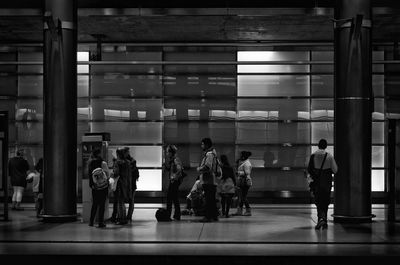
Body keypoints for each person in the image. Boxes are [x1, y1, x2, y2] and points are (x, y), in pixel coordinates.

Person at [307, 139, 338, 230]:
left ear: (318, 145)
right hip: (327, 182)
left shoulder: (313, 156)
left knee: (318, 201)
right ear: (326, 146)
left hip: (316, 183)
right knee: (325, 201)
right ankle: (323, 220)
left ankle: (321, 218)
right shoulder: (329, 156)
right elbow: (335, 170)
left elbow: (309, 170)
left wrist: (310, 180)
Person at [197, 137, 219, 222]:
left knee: (208, 199)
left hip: (208, 180)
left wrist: (199, 169)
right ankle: (214, 216)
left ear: (206, 145)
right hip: (211, 180)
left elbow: (207, 167)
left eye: (202, 144)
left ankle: (208, 216)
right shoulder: (212, 154)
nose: (201, 146)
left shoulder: (209, 154)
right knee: (212, 199)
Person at [88, 148, 110, 228]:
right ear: (99, 154)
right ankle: (100, 222)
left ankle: (91, 222)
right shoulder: (103, 163)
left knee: (94, 204)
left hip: (95, 187)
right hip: (103, 187)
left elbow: (90, 176)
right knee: (102, 205)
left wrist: (92, 185)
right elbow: (107, 174)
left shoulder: (90, 163)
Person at [111, 147, 131, 225]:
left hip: (119, 183)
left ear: (118, 154)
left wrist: (112, 174)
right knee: (122, 202)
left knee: (120, 202)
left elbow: (116, 173)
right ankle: (124, 218)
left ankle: (121, 219)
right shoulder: (128, 162)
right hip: (125, 183)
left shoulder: (117, 162)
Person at [164, 145, 183, 221]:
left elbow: (179, 170)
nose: (167, 153)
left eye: (168, 152)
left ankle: (168, 215)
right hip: (174, 181)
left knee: (169, 198)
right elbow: (173, 169)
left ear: (171, 152)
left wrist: (173, 178)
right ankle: (177, 215)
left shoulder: (175, 159)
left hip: (174, 181)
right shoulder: (173, 159)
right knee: (175, 198)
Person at [233, 151, 253, 216]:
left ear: (243, 156)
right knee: (241, 196)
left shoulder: (247, 163)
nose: (240, 156)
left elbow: (247, 173)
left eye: (241, 155)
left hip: (245, 182)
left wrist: (239, 173)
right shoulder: (243, 162)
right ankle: (240, 211)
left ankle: (248, 210)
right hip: (242, 181)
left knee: (243, 197)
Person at [125, 147, 139, 223]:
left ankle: (128, 216)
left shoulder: (127, 162)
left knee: (130, 200)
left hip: (129, 184)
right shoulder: (133, 161)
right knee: (131, 200)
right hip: (132, 184)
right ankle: (129, 216)